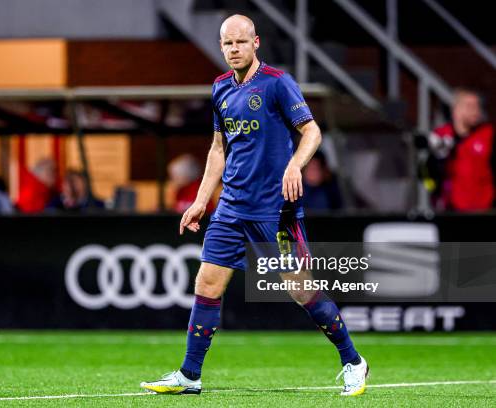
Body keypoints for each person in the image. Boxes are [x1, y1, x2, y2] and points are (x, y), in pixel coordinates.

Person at [140, 15, 367, 397]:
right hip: (230, 207)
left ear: (256, 43)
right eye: (227, 44)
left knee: (300, 290)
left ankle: (353, 361)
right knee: (208, 282)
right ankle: (190, 374)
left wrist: (295, 164)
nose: (233, 50)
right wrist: (200, 201)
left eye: (240, 43)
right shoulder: (220, 89)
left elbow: (311, 131)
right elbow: (218, 149)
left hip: (274, 211)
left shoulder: (278, 83)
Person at [428, 88, 494, 211]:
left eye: (477, 106)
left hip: (484, 208)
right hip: (451, 209)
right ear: (456, 110)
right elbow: (427, 170)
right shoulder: (441, 135)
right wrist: (433, 190)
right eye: (469, 106)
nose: (475, 111)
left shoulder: (487, 135)